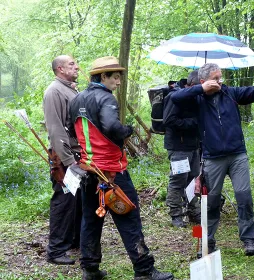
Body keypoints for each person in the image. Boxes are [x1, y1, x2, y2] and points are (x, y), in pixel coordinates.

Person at [170, 63, 254, 256]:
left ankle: (249, 239)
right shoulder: (196, 98)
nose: (220, 81)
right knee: (211, 201)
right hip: (213, 158)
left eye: (221, 77)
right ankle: (206, 241)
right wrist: (201, 89)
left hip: (237, 154)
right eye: (215, 78)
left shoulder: (229, 93)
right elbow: (174, 98)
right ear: (204, 81)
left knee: (244, 196)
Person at [68, 56, 174, 280]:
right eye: (115, 77)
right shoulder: (106, 99)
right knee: (129, 217)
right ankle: (144, 271)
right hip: (111, 173)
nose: (118, 82)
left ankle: (90, 269)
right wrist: (127, 130)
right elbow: (111, 126)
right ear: (103, 76)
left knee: (91, 219)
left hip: (88, 170)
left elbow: (71, 132)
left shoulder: (76, 99)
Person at [42, 55, 82, 265]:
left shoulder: (70, 88)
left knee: (76, 199)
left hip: (75, 154)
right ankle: (56, 250)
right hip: (64, 158)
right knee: (64, 200)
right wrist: (67, 160)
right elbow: (56, 128)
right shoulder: (54, 91)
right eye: (72, 64)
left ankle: (73, 241)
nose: (77, 66)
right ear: (60, 69)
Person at [163, 71, 201, 228]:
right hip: (179, 146)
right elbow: (169, 120)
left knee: (193, 179)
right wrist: (193, 123)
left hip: (193, 145)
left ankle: (193, 211)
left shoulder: (197, 97)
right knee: (178, 180)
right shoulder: (176, 96)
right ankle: (175, 214)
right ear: (192, 84)